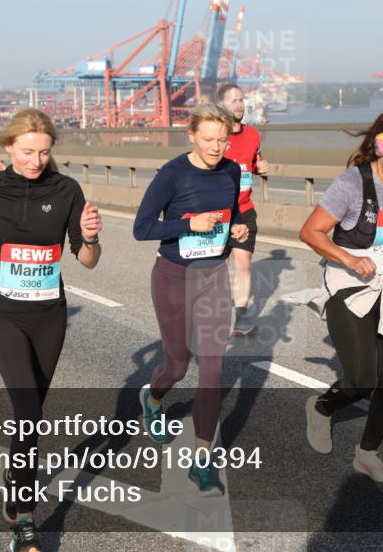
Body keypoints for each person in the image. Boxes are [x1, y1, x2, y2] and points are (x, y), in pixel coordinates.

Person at [0, 109, 101, 552]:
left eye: (43, 152)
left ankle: (15, 472)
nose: (36, 161)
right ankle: (24, 516)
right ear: (7, 148)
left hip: (48, 314)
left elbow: (88, 261)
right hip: (1, 311)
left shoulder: (66, 189)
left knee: (32, 409)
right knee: (26, 409)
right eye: (27, 152)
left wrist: (91, 238)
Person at [298, 110, 383, 483]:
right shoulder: (351, 185)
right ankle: (322, 406)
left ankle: (368, 453)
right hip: (350, 286)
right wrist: (348, 257)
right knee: (361, 381)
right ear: (379, 151)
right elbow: (311, 232)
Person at [133, 103, 249, 497]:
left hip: (213, 275)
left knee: (213, 371)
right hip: (173, 277)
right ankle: (153, 398)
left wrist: (239, 230)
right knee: (178, 366)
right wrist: (188, 225)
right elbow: (142, 227)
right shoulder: (172, 174)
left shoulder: (232, 171)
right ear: (191, 136)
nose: (217, 147)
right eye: (209, 139)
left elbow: (238, 214)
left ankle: (202, 462)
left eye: (223, 139)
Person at [217, 83, 269, 336]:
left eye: (241, 99)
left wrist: (261, 168)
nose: (239, 104)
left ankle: (242, 318)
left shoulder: (253, 135)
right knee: (216, 267)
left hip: (245, 210)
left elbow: (254, 162)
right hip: (217, 213)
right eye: (233, 100)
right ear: (222, 105)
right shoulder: (216, 136)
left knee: (243, 263)